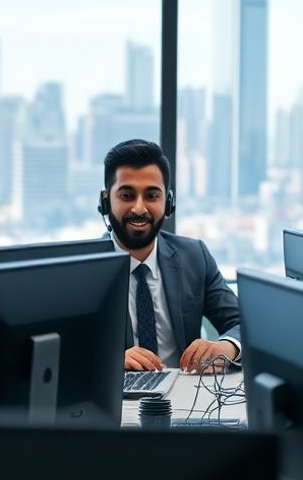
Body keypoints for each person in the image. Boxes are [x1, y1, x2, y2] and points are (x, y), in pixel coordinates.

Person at [99, 140, 241, 372]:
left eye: (152, 196)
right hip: (116, 401)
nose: (139, 208)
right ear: (106, 200)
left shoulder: (195, 256)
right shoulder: (83, 268)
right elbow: (62, 347)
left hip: (186, 398)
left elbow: (242, 323)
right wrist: (107, 359)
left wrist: (228, 346)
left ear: (169, 202)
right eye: (126, 195)